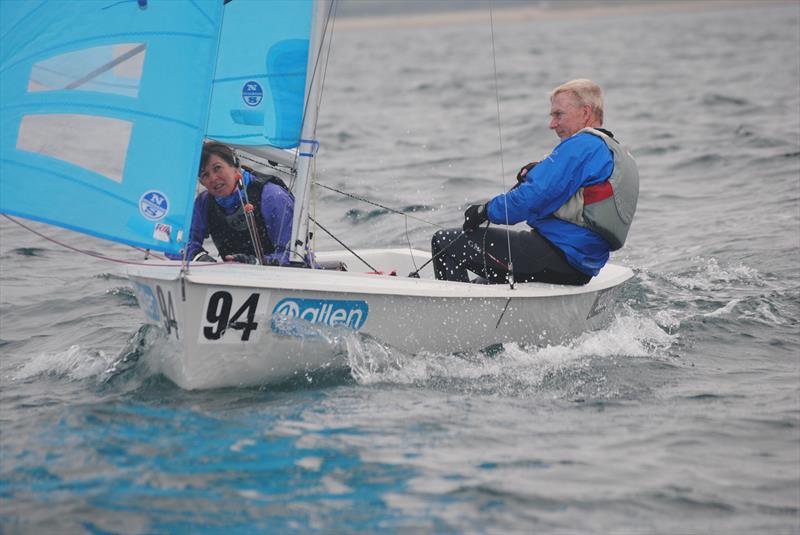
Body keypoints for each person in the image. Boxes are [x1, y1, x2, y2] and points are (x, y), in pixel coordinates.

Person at [431, 79, 638, 285]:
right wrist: (539, 170)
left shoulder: (583, 145)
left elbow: (531, 198)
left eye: (559, 115)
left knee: (445, 243)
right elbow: (563, 194)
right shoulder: (612, 151)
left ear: (585, 112)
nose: (552, 124)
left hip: (559, 254)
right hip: (581, 264)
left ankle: (455, 316)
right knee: (482, 282)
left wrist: (484, 211)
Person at [174, 141, 295, 265]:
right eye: (205, 175)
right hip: (232, 277)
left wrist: (256, 262)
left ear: (236, 167)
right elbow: (177, 242)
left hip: (278, 278)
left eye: (217, 168)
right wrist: (198, 257)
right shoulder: (204, 203)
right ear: (202, 182)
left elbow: (294, 256)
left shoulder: (272, 197)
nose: (213, 178)